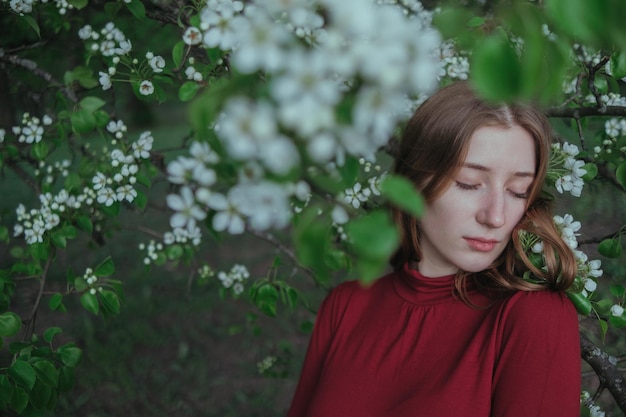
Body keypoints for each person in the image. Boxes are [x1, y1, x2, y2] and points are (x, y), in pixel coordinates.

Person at [287, 81, 581, 417]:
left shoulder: (532, 315)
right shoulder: (345, 307)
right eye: (469, 184)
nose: (496, 216)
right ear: (414, 183)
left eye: (518, 190)